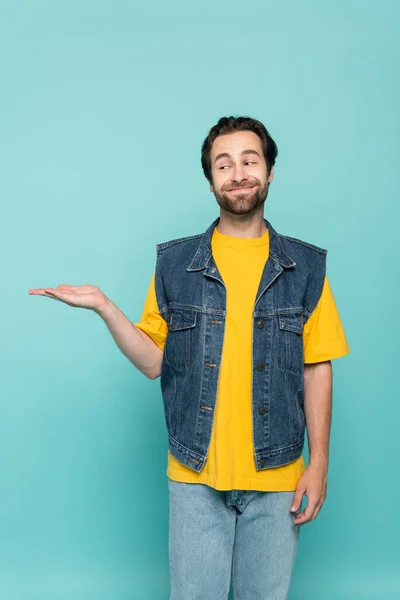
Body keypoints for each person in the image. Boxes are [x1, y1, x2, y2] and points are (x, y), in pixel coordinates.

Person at [29, 115, 350, 599]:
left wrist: (319, 461)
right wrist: (104, 307)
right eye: (224, 164)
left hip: (279, 475)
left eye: (249, 160)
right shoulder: (175, 265)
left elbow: (317, 364)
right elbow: (153, 360)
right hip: (195, 476)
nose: (238, 173)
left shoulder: (305, 267)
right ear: (211, 180)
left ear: (270, 172)